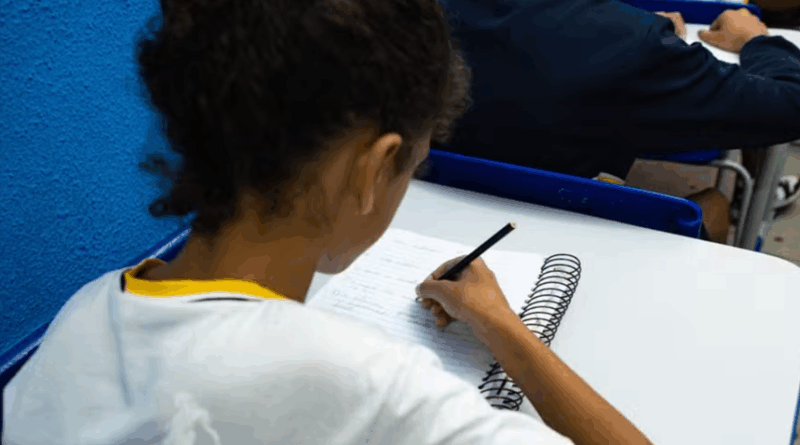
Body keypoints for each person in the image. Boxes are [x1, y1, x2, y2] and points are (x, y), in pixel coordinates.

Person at [3, 1, 653, 444]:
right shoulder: (363, 384)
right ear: (373, 169)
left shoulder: (84, 314)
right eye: (412, 168)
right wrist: (505, 326)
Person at [436, 1, 800, 187]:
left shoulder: (415, 14)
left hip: (431, 205)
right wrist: (758, 42)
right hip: (576, 228)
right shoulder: (634, 46)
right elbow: (790, 103)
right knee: (713, 207)